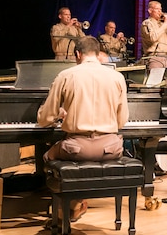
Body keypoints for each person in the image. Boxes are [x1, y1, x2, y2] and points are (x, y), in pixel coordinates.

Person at [37, 36, 128, 223]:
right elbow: (122, 121)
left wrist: (61, 114)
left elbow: (45, 119)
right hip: (110, 149)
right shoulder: (117, 77)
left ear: (77, 54)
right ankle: (78, 202)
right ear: (97, 54)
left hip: (77, 148)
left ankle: (68, 206)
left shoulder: (66, 75)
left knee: (47, 157)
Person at [141, 1, 167, 71]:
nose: (160, 12)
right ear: (150, 10)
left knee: (166, 81)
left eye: (160, 9)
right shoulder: (147, 23)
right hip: (155, 57)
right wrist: (166, 23)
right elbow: (152, 38)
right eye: (157, 9)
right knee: (155, 81)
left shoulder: (162, 24)